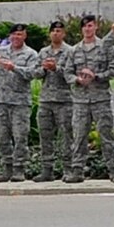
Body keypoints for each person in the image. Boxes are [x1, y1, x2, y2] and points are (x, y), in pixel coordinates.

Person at [62, 16, 114, 183]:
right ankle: (77, 171)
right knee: (79, 136)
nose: (87, 29)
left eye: (90, 26)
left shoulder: (105, 48)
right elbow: (67, 72)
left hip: (100, 99)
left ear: (96, 27)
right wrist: (77, 80)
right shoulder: (74, 50)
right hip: (80, 101)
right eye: (84, 26)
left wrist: (97, 76)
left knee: (106, 135)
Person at [0, 25, 42, 183]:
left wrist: (15, 68)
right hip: (1, 101)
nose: (16, 37)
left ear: (25, 36)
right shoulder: (2, 50)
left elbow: (34, 73)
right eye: (14, 34)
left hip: (19, 103)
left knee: (20, 137)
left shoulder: (30, 54)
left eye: (20, 34)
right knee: (1, 137)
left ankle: (19, 169)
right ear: (10, 36)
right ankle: (7, 167)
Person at [35, 21, 75, 182]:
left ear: (64, 34)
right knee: (45, 136)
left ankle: (68, 169)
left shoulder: (70, 52)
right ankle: (47, 170)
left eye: (59, 31)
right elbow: (35, 73)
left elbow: (72, 75)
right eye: (53, 31)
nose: (56, 34)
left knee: (66, 136)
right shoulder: (44, 52)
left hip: (64, 100)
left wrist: (56, 68)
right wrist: (44, 68)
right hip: (46, 100)